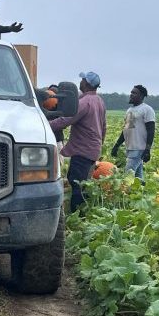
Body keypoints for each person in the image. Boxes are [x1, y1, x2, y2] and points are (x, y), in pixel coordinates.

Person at [49, 72, 107, 212]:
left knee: (76, 183)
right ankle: (84, 213)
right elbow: (104, 126)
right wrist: (100, 144)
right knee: (84, 184)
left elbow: (66, 120)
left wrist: (44, 125)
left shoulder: (84, 102)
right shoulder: (99, 100)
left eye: (82, 80)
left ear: (86, 83)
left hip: (83, 150)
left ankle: (77, 216)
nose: (80, 82)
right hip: (92, 149)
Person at [111, 84, 156, 181]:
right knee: (137, 177)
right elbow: (126, 130)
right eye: (131, 92)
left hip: (139, 148)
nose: (131, 94)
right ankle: (142, 193)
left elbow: (151, 130)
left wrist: (147, 149)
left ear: (141, 96)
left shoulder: (147, 109)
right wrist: (117, 145)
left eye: (134, 93)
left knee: (128, 175)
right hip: (130, 148)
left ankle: (127, 194)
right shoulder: (130, 110)